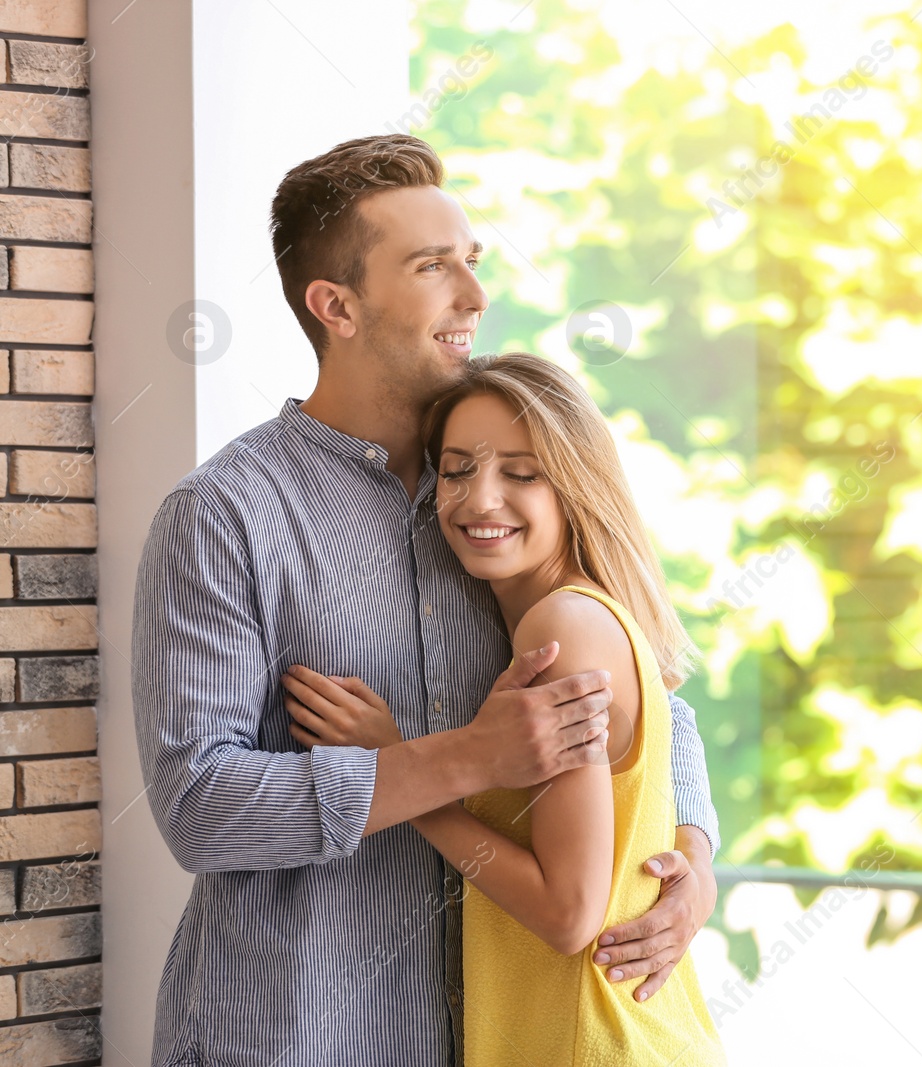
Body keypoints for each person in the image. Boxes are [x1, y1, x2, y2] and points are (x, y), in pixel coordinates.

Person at [131, 134, 720, 1066]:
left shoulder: (494, 510)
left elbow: (650, 704)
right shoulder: (224, 516)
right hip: (294, 1034)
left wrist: (689, 862)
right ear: (338, 306)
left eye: (472, 265)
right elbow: (200, 805)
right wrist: (457, 760)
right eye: (433, 267)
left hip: (493, 1032)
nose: (476, 298)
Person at [284, 352, 726, 1065]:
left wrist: (405, 774)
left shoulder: (564, 631)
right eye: (457, 470)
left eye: (521, 473)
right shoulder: (577, 619)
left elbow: (568, 913)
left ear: (575, 487)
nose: (479, 499)